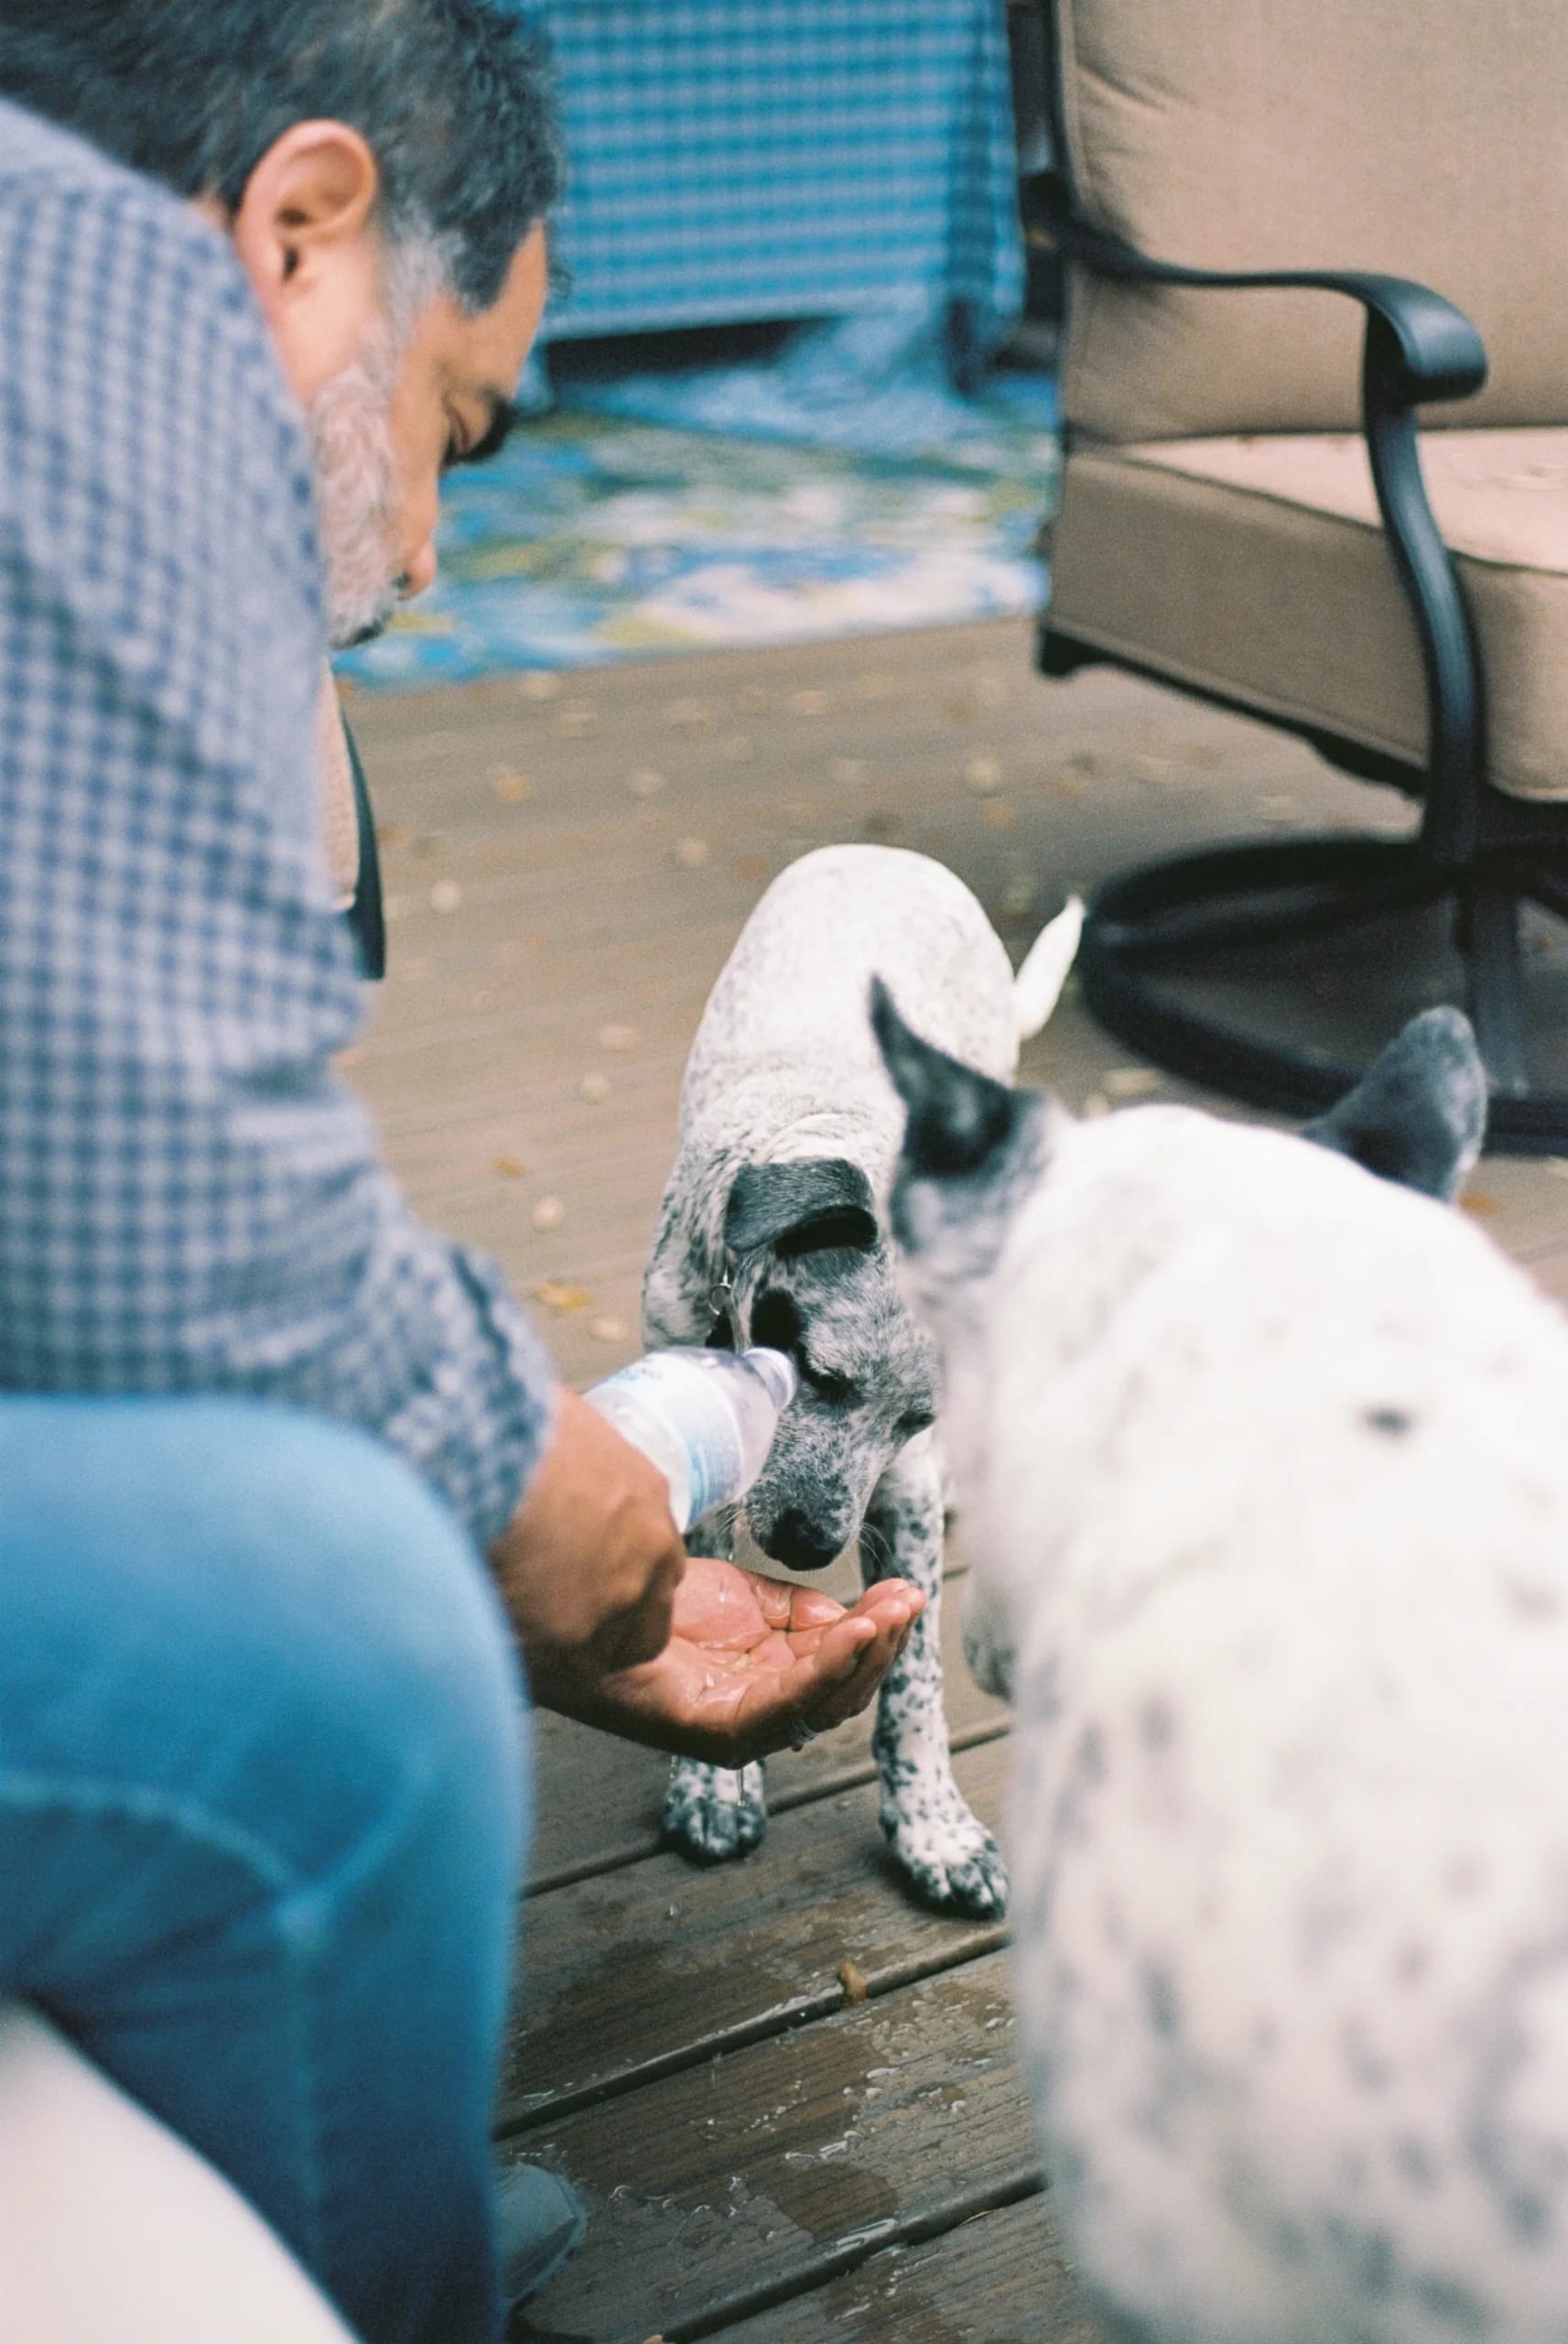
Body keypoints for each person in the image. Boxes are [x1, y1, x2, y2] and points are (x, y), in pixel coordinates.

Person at [0, 6, 924, 2340]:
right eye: (450, 425)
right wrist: (507, 1483)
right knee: (335, 1644)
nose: (416, 548)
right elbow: (154, 1195)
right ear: (303, 232)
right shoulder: (83, 309)